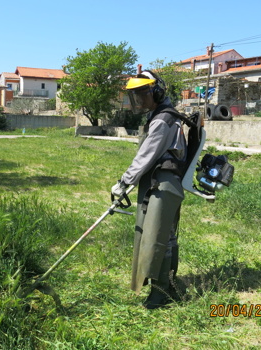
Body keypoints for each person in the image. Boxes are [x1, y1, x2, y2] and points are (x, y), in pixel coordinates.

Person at [111, 70, 186, 309]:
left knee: (158, 237)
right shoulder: (158, 116)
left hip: (164, 183)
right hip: (156, 181)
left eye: (143, 93)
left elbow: (146, 156)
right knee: (162, 236)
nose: (140, 100)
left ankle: (161, 291)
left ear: (157, 91)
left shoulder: (163, 119)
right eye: (136, 96)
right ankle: (167, 286)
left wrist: (124, 182)